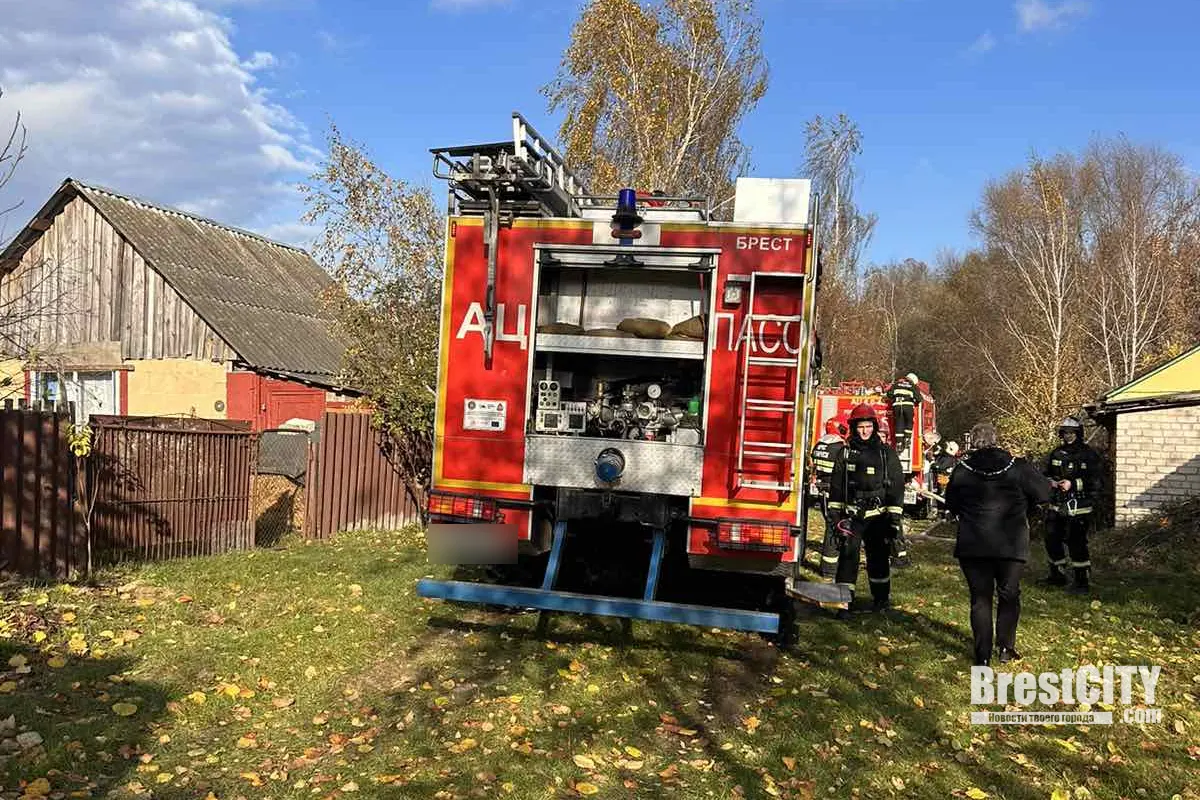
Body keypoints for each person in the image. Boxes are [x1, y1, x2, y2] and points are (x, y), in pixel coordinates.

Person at [944, 422, 1051, 666]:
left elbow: (951, 503)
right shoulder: (1018, 467)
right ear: (996, 440)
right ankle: (1005, 648)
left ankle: (982, 656)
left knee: (980, 599)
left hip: (973, 542)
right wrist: (1026, 506)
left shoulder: (963, 469)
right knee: (1009, 594)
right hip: (1010, 542)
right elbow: (1044, 493)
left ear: (974, 441)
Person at [827, 403, 905, 618]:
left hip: (878, 516)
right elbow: (836, 487)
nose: (864, 431)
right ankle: (843, 603)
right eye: (860, 427)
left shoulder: (885, 454)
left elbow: (897, 485)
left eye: (868, 426)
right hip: (852, 516)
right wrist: (835, 516)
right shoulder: (845, 453)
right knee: (847, 559)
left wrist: (894, 518)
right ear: (854, 427)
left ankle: (881, 600)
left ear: (874, 427)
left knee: (878, 559)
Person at [1040, 417, 1106, 593]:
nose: (1068, 436)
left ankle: (1081, 582)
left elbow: (1097, 482)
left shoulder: (1089, 455)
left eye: (1072, 433)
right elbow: (1045, 474)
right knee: (1051, 539)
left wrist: (1073, 483)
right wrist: (1051, 483)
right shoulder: (1056, 453)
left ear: (1078, 433)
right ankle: (1057, 575)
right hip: (1057, 505)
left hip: (1080, 506)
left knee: (1076, 542)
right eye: (1065, 433)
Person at [810, 415, 849, 580]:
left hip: (822, 492)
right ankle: (829, 570)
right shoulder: (840, 448)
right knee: (834, 528)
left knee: (832, 525)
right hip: (835, 492)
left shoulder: (819, 445)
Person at [886, 372, 922, 455]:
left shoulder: (896, 384)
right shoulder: (913, 386)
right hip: (908, 406)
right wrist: (914, 402)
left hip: (897, 406)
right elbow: (919, 399)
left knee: (899, 423)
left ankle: (899, 443)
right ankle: (907, 439)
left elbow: (889, 394)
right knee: (909, 421)